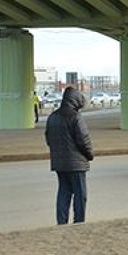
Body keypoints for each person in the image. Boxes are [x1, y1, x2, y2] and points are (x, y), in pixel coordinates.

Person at [44, 86, 94, 225]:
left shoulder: (53, 116)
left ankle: (61, 222)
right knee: (80, 195)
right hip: (76, 163)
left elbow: (48, 139)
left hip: (59, 163)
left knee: (63, 193)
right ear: (75, 100)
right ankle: (79, 222)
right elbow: (83, 140)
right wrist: (90, 155)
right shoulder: (75, 117)